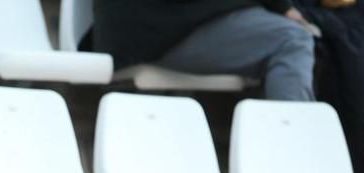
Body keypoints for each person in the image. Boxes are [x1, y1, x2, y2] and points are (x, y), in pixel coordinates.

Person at [92, 0, 317, 102]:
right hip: (160, 25)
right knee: (291, 40)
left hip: (156, 25)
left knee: (294, 36)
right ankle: (292, 162)